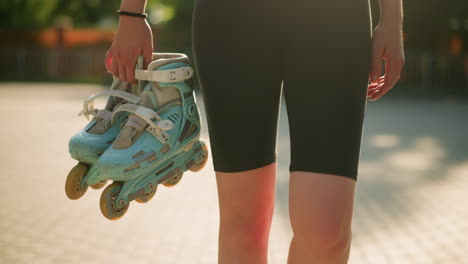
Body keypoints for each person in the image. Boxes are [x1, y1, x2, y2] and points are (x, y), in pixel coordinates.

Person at [106, 0, 405, 263]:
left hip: (334, 15)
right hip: (233, 15)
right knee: (243, 225)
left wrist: (392, 18)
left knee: (327, 233)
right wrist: (132, 13)